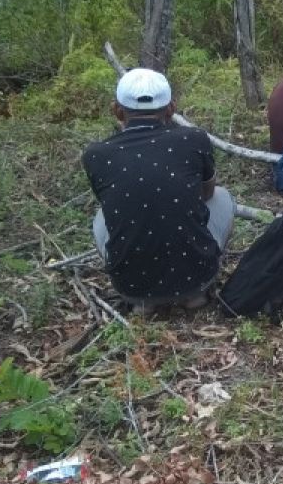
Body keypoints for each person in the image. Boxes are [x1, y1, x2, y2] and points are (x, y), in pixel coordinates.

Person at [82, 68, 236, 311]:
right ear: (171, 108)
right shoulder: (194, 139)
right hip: (196, 278)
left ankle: (144, 302)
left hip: (130, 287)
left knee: (102, 216)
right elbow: (207, 194)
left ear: (117, 110)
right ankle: (194, 295)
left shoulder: (97, 155)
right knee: (223, 197)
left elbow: (115, 207)